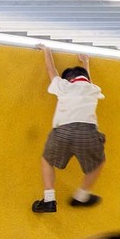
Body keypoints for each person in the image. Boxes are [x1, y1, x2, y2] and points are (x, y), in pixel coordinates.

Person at [33, 44, 106, 213]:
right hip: (87, 133)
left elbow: (51, 71)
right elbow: (87, 81)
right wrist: (85, 61)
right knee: (98, 163)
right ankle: (81, 195)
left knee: (47, 160)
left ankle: (49, 199)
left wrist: (47, 51)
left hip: (62, 131)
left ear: (67, 80)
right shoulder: (93, 89)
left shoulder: (64, 86)